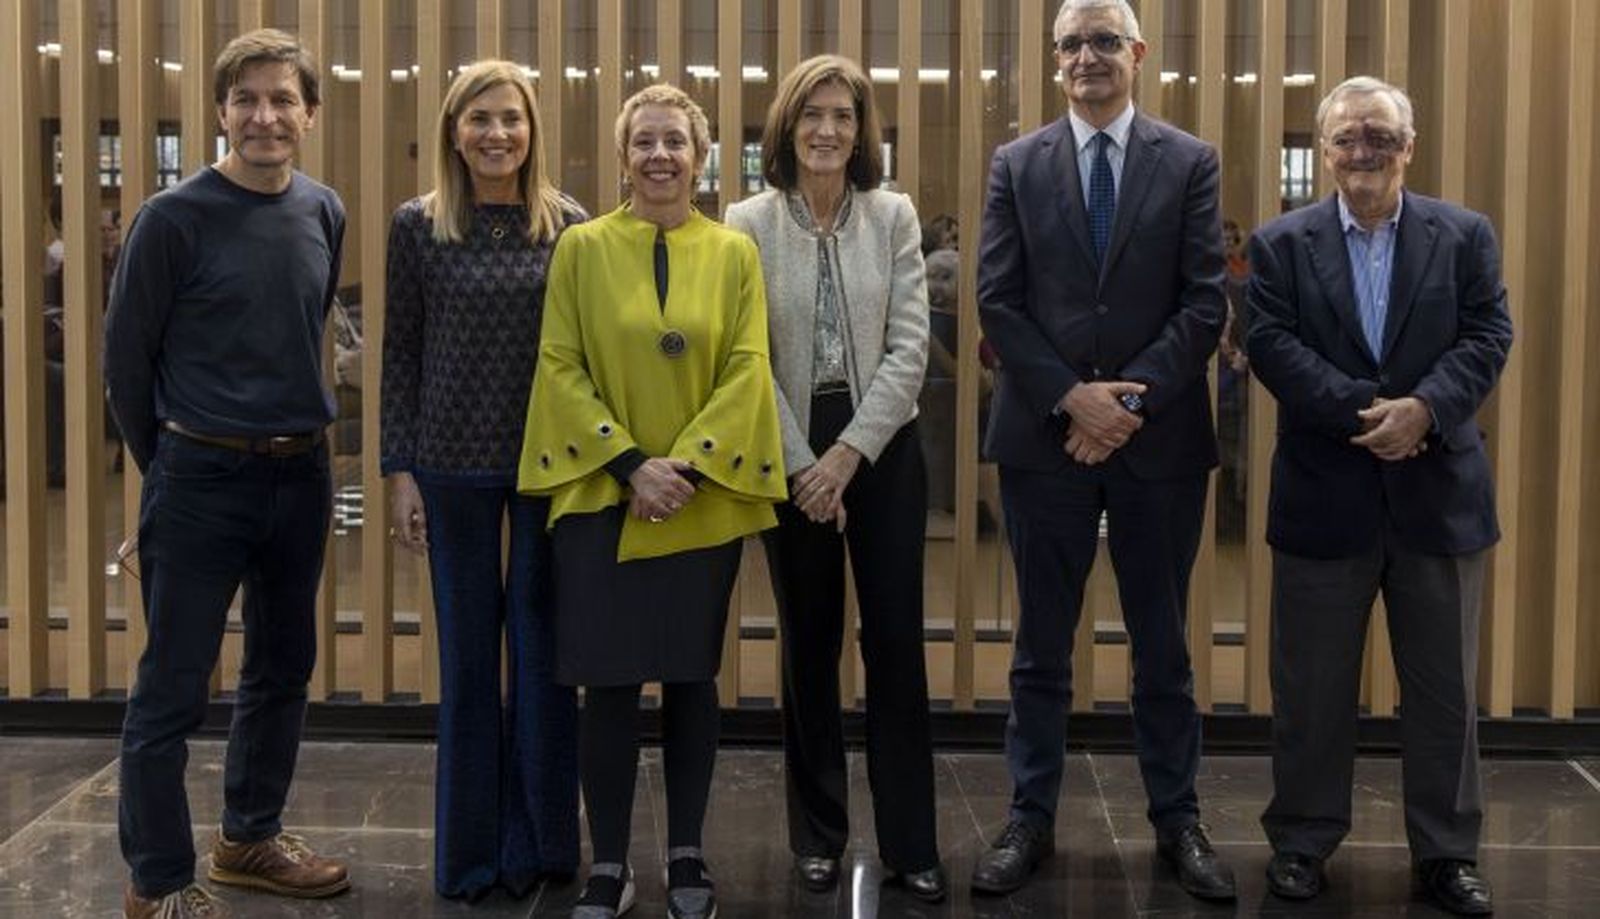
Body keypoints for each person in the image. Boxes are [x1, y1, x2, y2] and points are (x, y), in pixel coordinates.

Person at [972, 0, 1234, 902]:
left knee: (1163, 645)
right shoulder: (1016, 164)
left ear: (1138, 53)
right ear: (1055, 61)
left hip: (1156, 441)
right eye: (1072, 44)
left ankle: (1179, 820)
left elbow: (1204, 302)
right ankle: (1027, 816)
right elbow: (998, 298)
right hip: (1044, 441)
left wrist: (1125, 403)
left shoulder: (1190, 161)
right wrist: (1071, 399)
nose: (1088, 56)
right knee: (1040, 644)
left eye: (1104, 41)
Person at [517, 83, 786, 919]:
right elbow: (559, 366)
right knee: (607, 682)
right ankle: (609, 864)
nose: (660, 155)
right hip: (603, 493)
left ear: (701, 159)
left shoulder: (733, 251)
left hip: (702, 501)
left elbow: (749, 365)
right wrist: (634, 465)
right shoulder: (581, 249)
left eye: (676, 141)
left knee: (690, 677)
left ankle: (687, 852)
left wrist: (689, 468)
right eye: (645, 142)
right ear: (624, 155)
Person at [1245, 76, 1512, 917]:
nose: (1364, 150)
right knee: (1312, 689)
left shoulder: (1464, 235)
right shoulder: (1281, 243)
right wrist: (1374, 414)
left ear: (1410, 145)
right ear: (1324, 151)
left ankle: (1447, 853)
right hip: (1326, 496)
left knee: (1443, 693)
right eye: (1347, 136)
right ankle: (1301, 840)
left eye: (1380, 135)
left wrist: (1426, 409)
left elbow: (1489, 332)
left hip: (1439, 498)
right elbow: (1270, 343)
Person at [104, 28, 349, 919]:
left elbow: (302, 326)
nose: (265, 116)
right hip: (199, 475)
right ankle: (158, 882)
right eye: (246, 98)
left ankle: (249, 836)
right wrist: (165, 472)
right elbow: (126, 366)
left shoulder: (324, 208)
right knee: (171, 686)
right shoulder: (171, 218)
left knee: (283, 666)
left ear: (310, 115)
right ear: (220, 111)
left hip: (299, 474)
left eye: (284, 99)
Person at [724, 54, 945, 902]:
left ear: (862, 132)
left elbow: (910, 347)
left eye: (844, 116)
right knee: (807, 645)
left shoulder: (892, 215)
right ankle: (817, 833)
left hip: (882, 447)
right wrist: (803, 462)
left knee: (895, 645)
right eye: (812, 114)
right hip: (787, 450)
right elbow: (745, 357)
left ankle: (912, 841)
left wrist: (849, 453)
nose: (826, 129)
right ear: (787, 125)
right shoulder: (746, 220)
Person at [381, 59, 584, 901]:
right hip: (449, 465)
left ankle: (540, 848)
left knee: (541, 658)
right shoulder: (417, 226)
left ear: (532, 131)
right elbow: (400, 353)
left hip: (545, 470)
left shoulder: (568, 225)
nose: (497, 133)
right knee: (468, 661)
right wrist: (399, 470)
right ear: (453, 134)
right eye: (480, 120)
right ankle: (468, 858)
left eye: (511, 119)